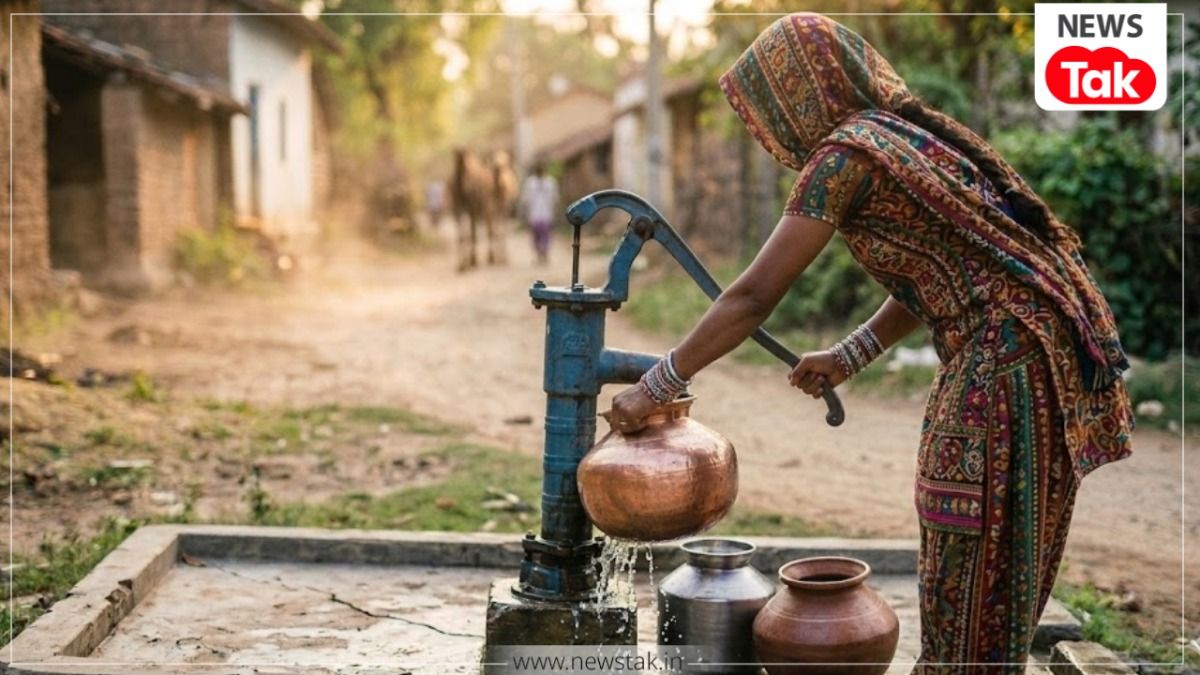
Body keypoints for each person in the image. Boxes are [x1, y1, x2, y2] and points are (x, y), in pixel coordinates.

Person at [609, 14, 1133, 672]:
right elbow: (940, 272)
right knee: (1003, 561)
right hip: (1041, 352)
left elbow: (750, 297)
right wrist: (851, 353)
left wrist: (656, 385)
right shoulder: (896, 138)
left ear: (796, 91)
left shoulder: (843, 157)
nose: (767, 128)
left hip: (1007, 360)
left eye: (767, 107)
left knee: (969, 544)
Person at [520, 161, 559, 264]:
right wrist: (524, 212)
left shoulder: (550, 182)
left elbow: (555, 198)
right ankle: (538, 256)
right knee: (536, 236)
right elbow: (525, 199)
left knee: (546, 235)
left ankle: (545, 255)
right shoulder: (530, 183)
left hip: (547, 213)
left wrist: (555, 210)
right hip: (534, 214)